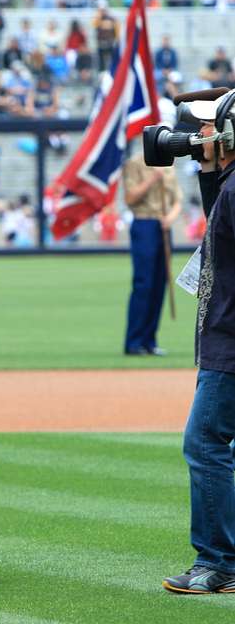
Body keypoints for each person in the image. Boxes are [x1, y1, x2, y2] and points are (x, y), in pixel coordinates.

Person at [162, 90, 235, 594]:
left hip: (230, 345)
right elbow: (221, 228)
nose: (200, 135)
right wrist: (210, 169)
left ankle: (219, 563)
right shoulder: (230, 186)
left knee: (205, 442)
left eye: (209, 129)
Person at [123, 143, 182, 356]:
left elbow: (177, 200)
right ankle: (134, 341)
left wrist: (171, 217)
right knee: (144, 283)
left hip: (163, 225)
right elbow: (130, 198)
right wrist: (152, 179)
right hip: (144, 222)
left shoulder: (169, 164)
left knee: (160, 283)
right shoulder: (135, 164)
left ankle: (150, 340)